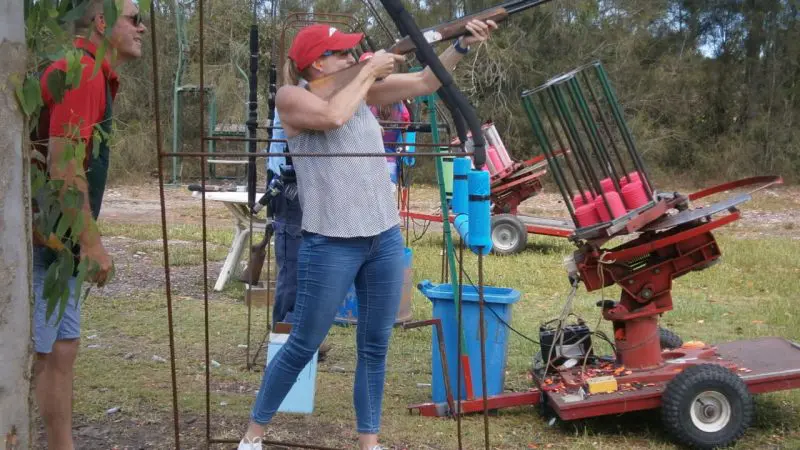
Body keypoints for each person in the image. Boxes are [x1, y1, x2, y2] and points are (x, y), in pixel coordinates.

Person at [239, 19, 496, 450]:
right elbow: (333, 116)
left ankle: (369, 443)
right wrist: (368, 70)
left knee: (374, 347)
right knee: (303, 342)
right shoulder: (292, 97)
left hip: (383, 237)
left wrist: (461, 47)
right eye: (341, 53)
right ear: (316, 62)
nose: (351, 57)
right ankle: (253, 435)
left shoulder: (361, 88)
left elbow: (425, 81)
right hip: (330, 240)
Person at [29, 1, 146, 448]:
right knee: (38, 351)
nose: (142, 28)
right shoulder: (81, 71)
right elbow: (64, 166)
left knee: (62, 348)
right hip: (45, 241)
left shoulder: (95, 74)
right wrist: (93, 244)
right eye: (133, 19)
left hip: (60, 247)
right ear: (102, 22)